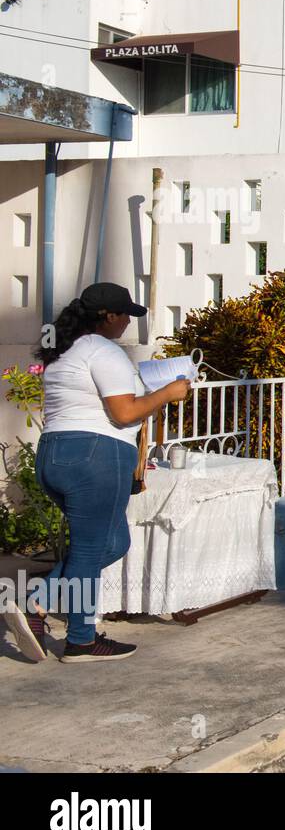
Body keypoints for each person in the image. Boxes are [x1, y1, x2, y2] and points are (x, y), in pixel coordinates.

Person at [2, 283, 190, 663]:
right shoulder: (104, 351)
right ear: (108, 316)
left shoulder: (64, 350)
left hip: (55, 455)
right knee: (89, 550)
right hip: (96, 457)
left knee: (113, 543)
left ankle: (36, 601)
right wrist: (169, 393)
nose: (126, 323)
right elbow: (124, 413)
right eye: (124, 315)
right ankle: (81, 640)